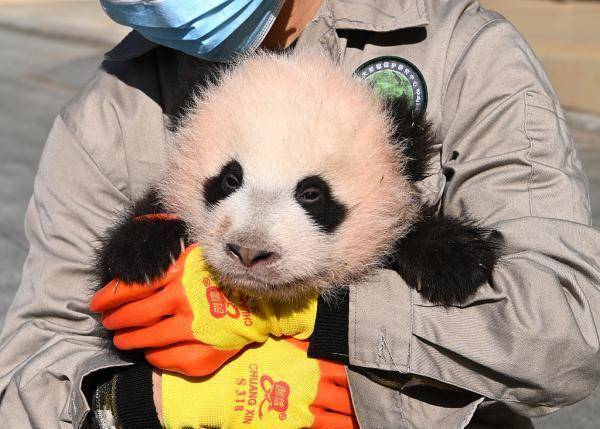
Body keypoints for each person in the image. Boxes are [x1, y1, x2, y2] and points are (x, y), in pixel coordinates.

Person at [0, 0, 599, 427]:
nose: (250, 239)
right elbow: (32, 364)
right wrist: (130, 408)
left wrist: (323, 320)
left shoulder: (462, 51)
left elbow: (569, 331)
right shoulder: (109, 110)